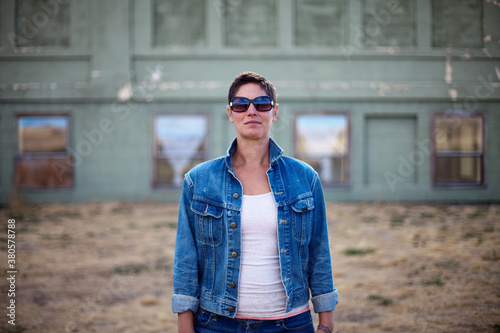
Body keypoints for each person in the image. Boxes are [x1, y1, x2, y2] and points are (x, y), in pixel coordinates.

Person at [172, 71, 338, 333]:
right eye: (241, 104)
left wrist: (326, 325)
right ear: (230, 113)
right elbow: (186, 260)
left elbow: (319, 255)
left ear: (274, 112)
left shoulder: (305, 178)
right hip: (217, 324)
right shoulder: (199, 180)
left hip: (291, 324)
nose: (251, 111)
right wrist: (184, 326)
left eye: (261, 104)